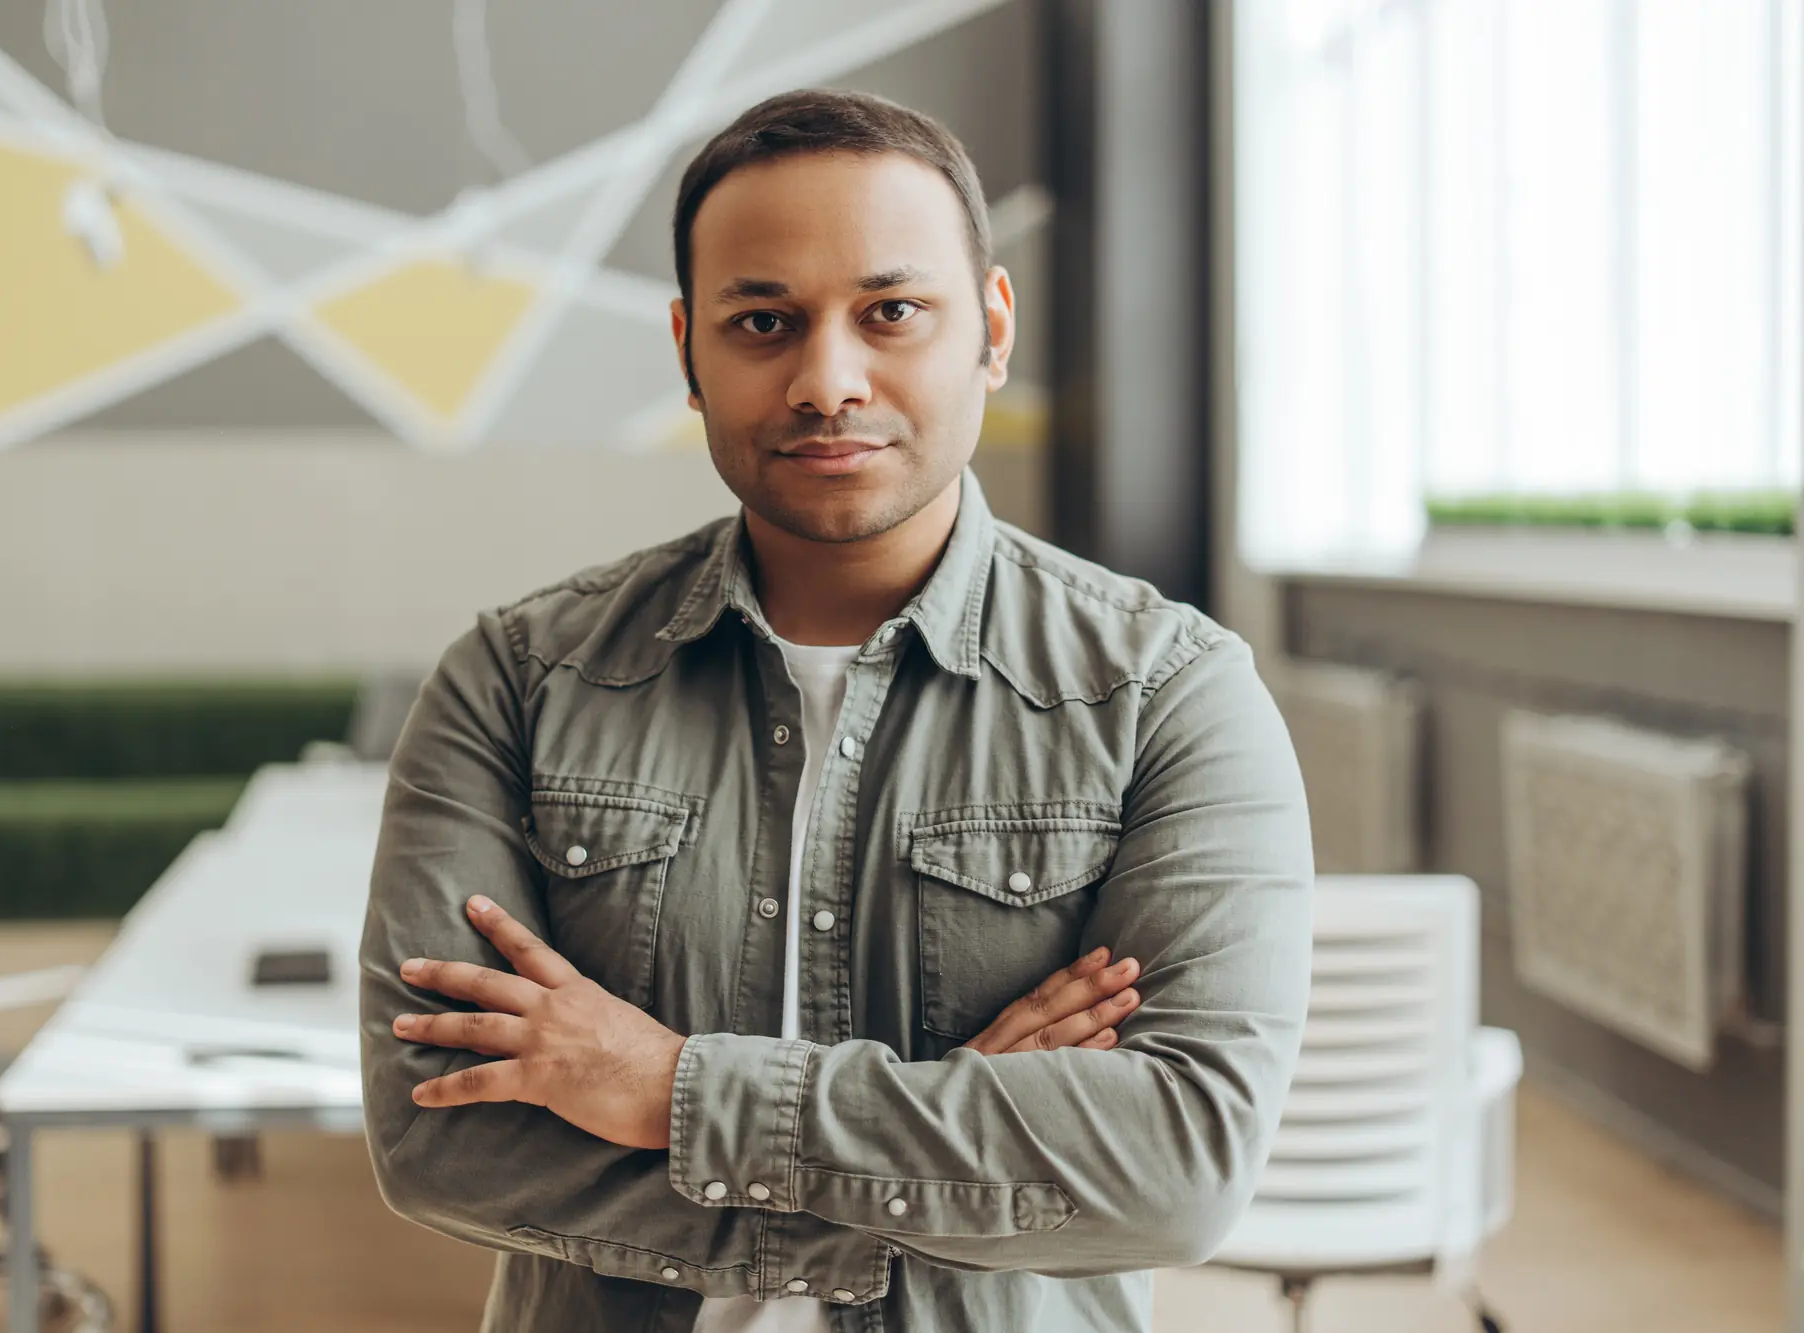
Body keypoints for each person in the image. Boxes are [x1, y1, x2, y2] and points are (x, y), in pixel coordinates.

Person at [359, 88, 1313, 1333]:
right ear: (687, 349)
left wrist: (670, 1092)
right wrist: (956, 1133)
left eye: (890, 312)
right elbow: (442, 1143)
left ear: (990, 326)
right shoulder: (514, 682)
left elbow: (1175, 1167)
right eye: (763, 321)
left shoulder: (1166, 693)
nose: (827, 380)